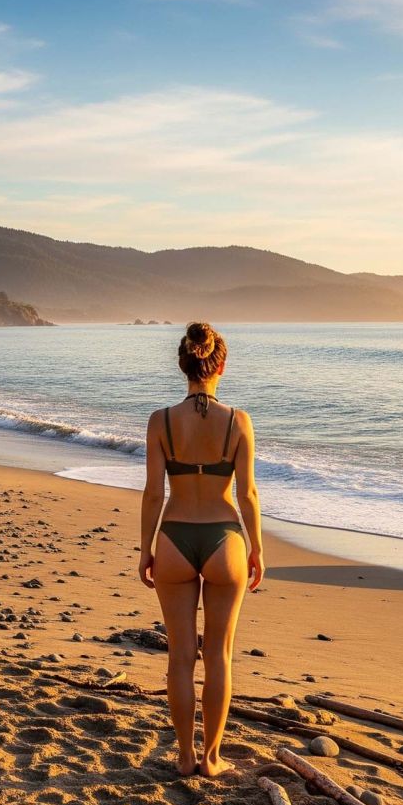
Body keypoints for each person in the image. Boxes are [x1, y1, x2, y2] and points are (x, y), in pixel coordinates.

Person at [139, 321, 264, 778]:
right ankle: (212, 758)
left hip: (173, 538)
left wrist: (145, 548)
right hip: (224, 540)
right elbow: (247, 494)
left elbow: (154, 492)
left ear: (183, 365)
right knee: (218, 656)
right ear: (221, 366)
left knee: (179, 657)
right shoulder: (238, 422)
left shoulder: (160, 421)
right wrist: (257, 548)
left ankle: (184, 756)